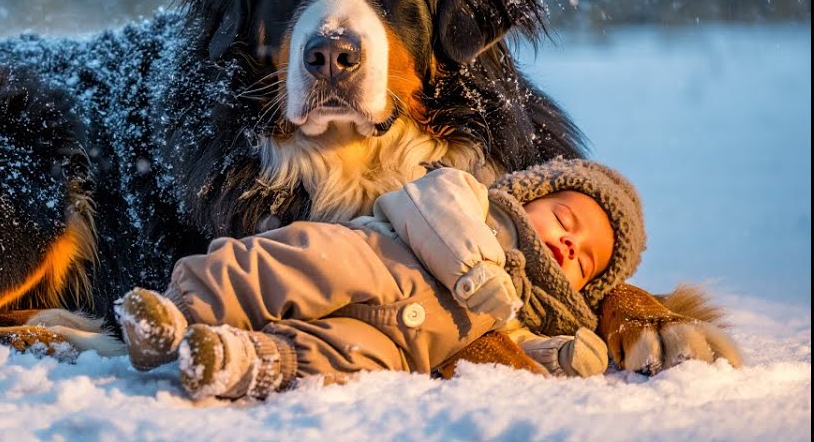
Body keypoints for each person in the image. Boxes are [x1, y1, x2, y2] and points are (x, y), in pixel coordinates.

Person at [116, 159, 655, 400]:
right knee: (295, 262)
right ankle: (180, 310)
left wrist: (560, 357)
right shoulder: (473, 199)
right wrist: (474, 270)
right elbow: (425, 208)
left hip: (403, 342)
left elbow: (514, 346)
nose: (567, 244)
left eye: (583, 261)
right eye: (566, 220)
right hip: (376, 259)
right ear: (535, 194)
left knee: (353, 361)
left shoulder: (531, 306)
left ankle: (243, 360)